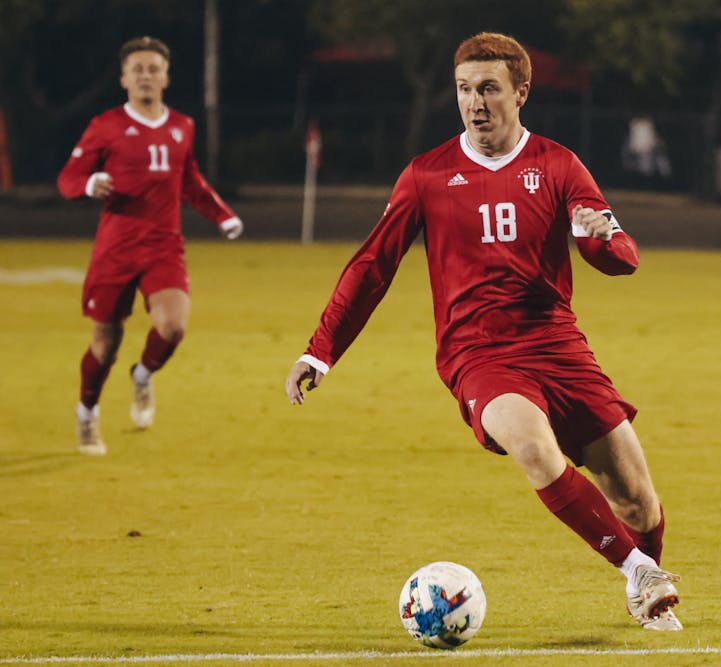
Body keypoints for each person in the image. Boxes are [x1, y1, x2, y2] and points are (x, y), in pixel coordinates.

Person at [284, 32, 682, 631]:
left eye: (489, 89)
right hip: (478, 354)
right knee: (531, 446)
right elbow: (372, 267)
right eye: (465, 90)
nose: (475, 102)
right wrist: (320, 353)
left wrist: (598, 237)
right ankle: (639, 573)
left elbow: (621, 257)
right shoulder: (426, 175)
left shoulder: (558, 164)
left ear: (520, 92)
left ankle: (642, 577)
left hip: (558, 345)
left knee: (638, 501)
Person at [57, 36, 244, 455]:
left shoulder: (182, 126)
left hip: (163, 246)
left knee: (173, 326)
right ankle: (87, 412)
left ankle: (143, 375)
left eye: (153, 68)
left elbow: (190, 182)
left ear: (166, 77)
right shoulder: (104, 125)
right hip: (116, 249)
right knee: (104, 346)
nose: (145, 75)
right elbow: (68, 177)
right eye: (137, 69)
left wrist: (222, 214)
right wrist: (89, 183)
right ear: (124, 78)